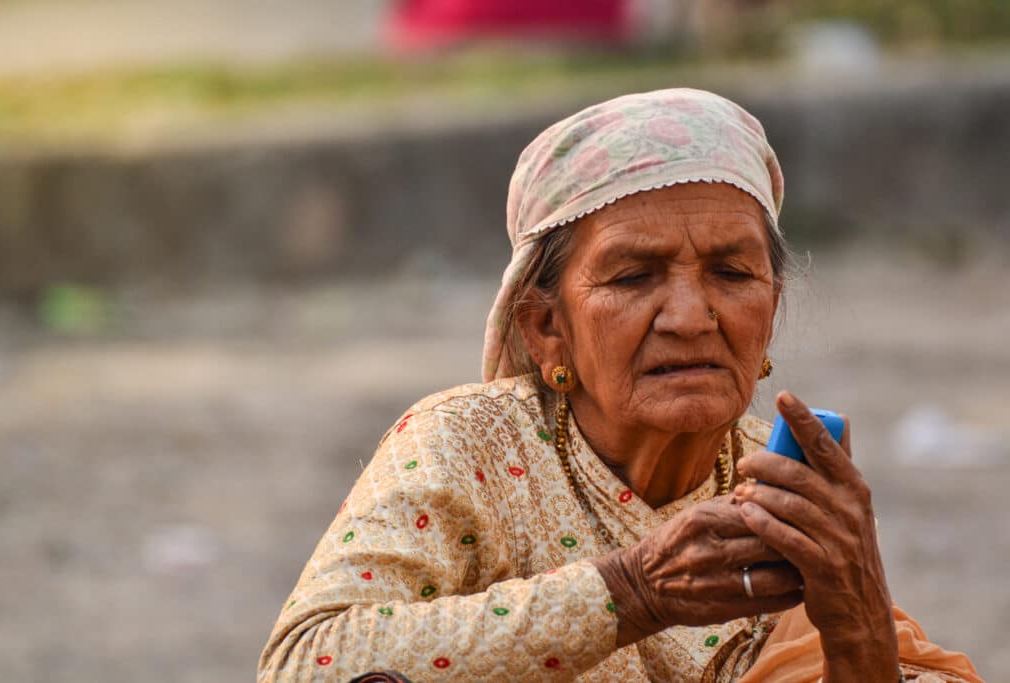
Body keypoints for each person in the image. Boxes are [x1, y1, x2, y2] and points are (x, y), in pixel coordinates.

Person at [258, 89, 981, 682]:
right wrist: (632, 592)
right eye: (634, 276)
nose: (693, 317)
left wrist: (857, 620)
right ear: (547, 329)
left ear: (771, 309)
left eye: (733, 274)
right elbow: (305, 665)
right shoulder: (468, 445)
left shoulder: (782, 488)